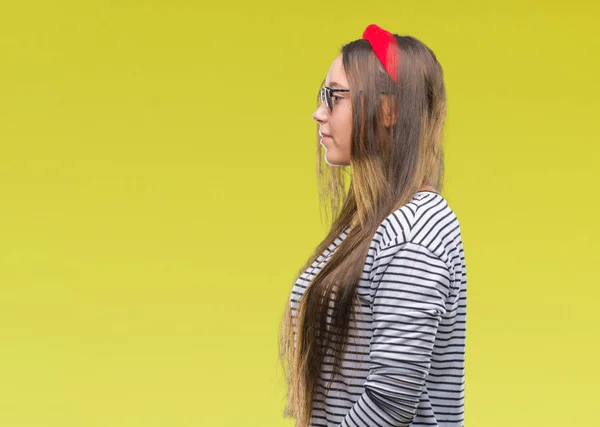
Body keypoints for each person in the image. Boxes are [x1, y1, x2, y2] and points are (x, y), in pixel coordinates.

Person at [279, 24, 467, 427]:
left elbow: (390, 404)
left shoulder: (416, 231)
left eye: (335, 96)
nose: (318, 112)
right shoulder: (368, 223)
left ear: (388, 110)